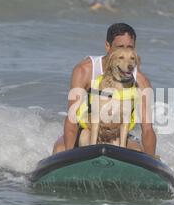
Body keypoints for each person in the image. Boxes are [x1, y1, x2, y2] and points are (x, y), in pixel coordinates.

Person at [52, 23, 157, 156]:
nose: (123, 52)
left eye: (129, 47)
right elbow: (71, 118)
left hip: (118, 135)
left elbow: (147, 129)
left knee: (137, 152)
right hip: (86, 130)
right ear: (107, 46)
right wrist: (67, 156)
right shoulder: (85, 70)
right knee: (60, 150)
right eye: (119, 47)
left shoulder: (141, 81)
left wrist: (152, 162)